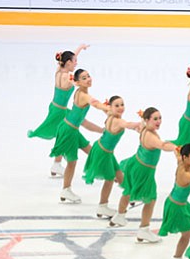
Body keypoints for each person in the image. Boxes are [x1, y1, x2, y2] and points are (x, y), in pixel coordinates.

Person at [109, 107, 177, 243]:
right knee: (150, 199)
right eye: (155, 119)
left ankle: (119, 215)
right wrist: (176, 148)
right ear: (147, 120)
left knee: (128, 191)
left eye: (160, 118)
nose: (159, 121)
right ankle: (143, 230)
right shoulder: (151, 136)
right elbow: (162, 145)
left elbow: (141, 127)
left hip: (136, 163)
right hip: (143, 170)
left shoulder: (144, 129)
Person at [28, 44, 90, 178]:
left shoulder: (59, 70)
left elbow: (71, 58)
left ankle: (57, 163)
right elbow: (77, 82)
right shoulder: (66, 77)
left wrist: (80, 48)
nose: (76, 63)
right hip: (59, 112)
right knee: (65, 135)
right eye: (74, 62)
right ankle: (60, 162)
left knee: (61, 135)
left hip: (55, 107)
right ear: (68, 63)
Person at [49, 68, 108, 204]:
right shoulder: (83, 95)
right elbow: (96, 103)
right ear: (77, 82)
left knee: (92, 152)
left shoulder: (82, 94)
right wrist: (108, 109)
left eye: (88, 76)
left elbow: (84, 122)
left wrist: (101, 130)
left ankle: (111, 176)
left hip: (72, 129)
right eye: (84, 78)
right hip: (68, 131)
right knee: (72, 161)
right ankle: (66, 189)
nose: (88, 79)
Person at [83, 95, 142, 218]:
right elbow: (127, 124)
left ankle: (130, 195)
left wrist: (136, 127)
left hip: (104, 150)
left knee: (119, 173)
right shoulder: (117, 120)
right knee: (109, 179)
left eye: (122, 104)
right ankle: (102, 206)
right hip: (103, 152)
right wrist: (141, 122)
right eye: (117, 105)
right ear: (110, 107)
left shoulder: (110, 114)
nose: (120, 108)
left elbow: (127, 125)